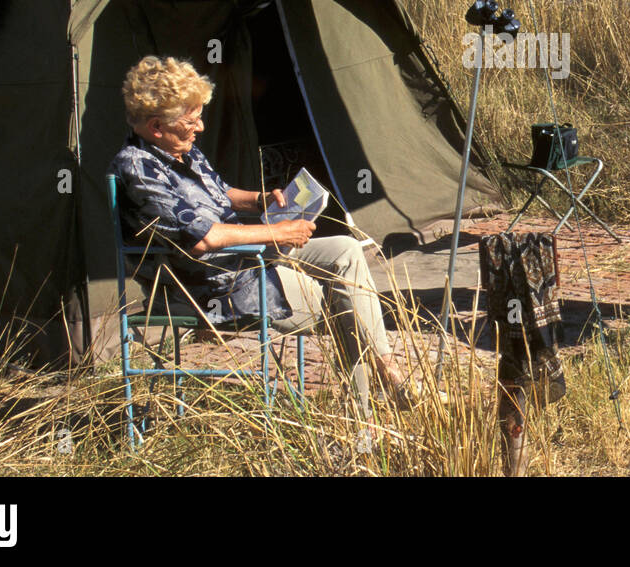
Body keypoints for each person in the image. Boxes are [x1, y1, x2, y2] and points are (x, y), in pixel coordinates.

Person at [107, 55, 437, 413]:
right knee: (344, 298)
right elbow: (203, 239)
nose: (200, 127)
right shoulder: (139, 169)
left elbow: (220, 193)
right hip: (209, 284)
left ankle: (385, 377)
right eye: (192, 120)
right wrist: (275, 231)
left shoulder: (181, 151)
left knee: (344, 249)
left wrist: (259, 200)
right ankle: (364, 409)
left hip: (242, 258)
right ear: (157, 126)